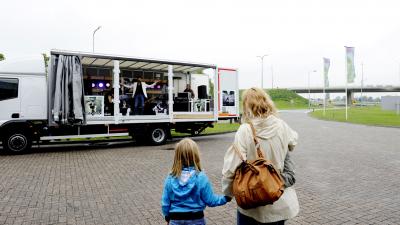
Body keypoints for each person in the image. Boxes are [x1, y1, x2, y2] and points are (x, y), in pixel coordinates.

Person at [222, 87, 299, 225]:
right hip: (278, 199)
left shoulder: (245, 130)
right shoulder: (281, 126)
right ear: (266, 102)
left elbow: (231, 167)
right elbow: (293, 142)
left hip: (251, 204)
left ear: (246, 106)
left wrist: (228, 193)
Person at [161, 138, 231, 225]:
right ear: (195, 155)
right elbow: (210, 200)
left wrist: (167, 217)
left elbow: (165, 202)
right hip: (196, 219)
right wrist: (226, 198)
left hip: (175, 219)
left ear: (177, 156)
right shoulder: (201, 177)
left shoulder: (171, 177)